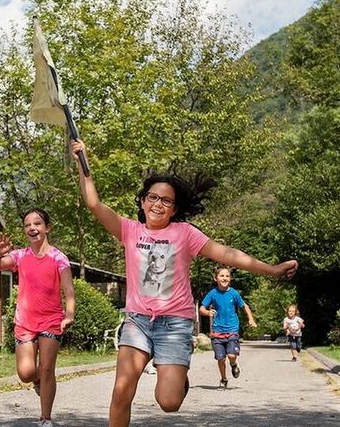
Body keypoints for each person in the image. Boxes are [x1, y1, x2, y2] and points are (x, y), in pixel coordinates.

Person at [70, 139, 298, 427]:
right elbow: (93, 203)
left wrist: (272, 270)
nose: (158, 204)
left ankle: (176, 377)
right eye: (153, 197)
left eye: (166, 201)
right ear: (142, 201)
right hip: (138, 321)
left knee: (169, 403)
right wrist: (82, 162)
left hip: (175, 325)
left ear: (174, 209)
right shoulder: (129, 230)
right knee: (121, 391)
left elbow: (227, 253)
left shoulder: (185, 233)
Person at [0, 207, 75, 427]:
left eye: (37, 224)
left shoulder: (58, 258)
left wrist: (69, 314)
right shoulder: (20, 255)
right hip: (25, 322)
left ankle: (45, 418)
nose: (32, 228)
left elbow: (69, 291)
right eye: (27, 225)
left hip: (51, 320)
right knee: (26, 373)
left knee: (47, 368)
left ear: (47, 228)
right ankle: (37, 380)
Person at [199, 266, 257, 388]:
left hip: (232, 330)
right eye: (222, 276)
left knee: (231, 355)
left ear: (230, 279)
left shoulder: (233, 293)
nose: (225, 278)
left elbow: (244, 305)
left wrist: (251, 319)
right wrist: (208, 313)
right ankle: (224, 378)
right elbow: (201, 308)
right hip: (217, 331)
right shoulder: (213, 293)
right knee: (220, 358)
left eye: (227, 276)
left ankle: (234, 364)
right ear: (215, 278)